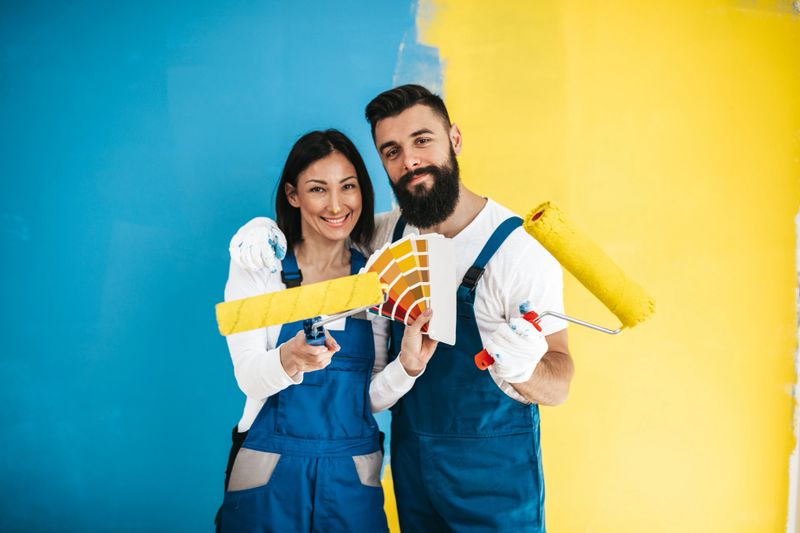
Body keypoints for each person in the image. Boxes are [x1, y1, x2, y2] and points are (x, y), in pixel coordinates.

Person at [230, 86, 574, 532]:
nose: (409, 160)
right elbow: (321, 231)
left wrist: (525, 368)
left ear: (454, 138)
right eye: (391, 151)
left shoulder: (520, 251)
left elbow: (560, 382)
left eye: (422, 140)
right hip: (411, 472)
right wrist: (259, 228)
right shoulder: (383, 239)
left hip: (495, 477)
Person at [216, 129, 437, 533]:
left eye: (348, 187)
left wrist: (407, 367)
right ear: (293, 195)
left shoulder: (375, 278)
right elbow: (248, 376)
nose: (337, 205)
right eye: (318, 189)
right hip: (269, 474)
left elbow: (366, 398)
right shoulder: (260, 266)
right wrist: (289, 358)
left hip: (351, 478)